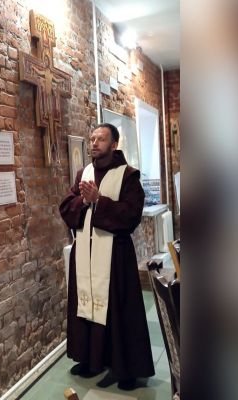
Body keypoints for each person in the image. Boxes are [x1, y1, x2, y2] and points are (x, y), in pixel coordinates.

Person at [59, 123, 154, 390]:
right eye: (92, 139)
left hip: (115, 257)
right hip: (86, 253)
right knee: (86, 306)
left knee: (119, 312)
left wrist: (100, 200)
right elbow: (66, 207)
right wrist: (84, 201)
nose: (94, 143)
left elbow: (131, 215)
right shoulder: (84, 173)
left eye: (100, 139)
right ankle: (91, 360)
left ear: (114, 144)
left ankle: (126, 370)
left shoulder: (128, 176)